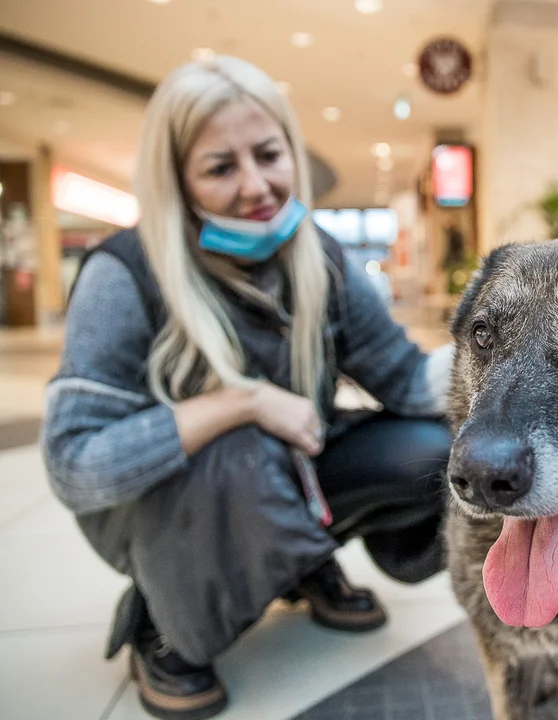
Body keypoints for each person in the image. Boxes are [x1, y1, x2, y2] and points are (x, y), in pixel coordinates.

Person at [41, 56, 453, 720]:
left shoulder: (320, 254)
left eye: (269, 154)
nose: (257, 186)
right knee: (242, 450)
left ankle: (298, 565)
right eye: (220, 168)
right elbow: (74, 467)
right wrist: (241, 402)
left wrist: (505, 356)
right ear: (176, 179)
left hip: (285, 470)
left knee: (439, 447)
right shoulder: (123, 273)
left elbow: (405, 379)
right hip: (171, 502)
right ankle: (165, 627)